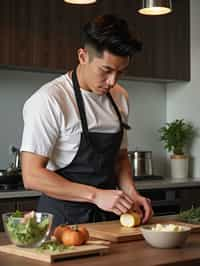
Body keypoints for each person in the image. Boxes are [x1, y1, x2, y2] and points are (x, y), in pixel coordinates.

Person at [21, 14, 153, 227]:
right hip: (62, 222)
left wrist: (131, 193)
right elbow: (32, 175)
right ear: (83, 57)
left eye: (120, 72)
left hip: (109, 220)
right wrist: (96, 196)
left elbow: (119, 158)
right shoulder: (49, 100)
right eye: (106, 70)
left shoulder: (120, 96)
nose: (112, 81)